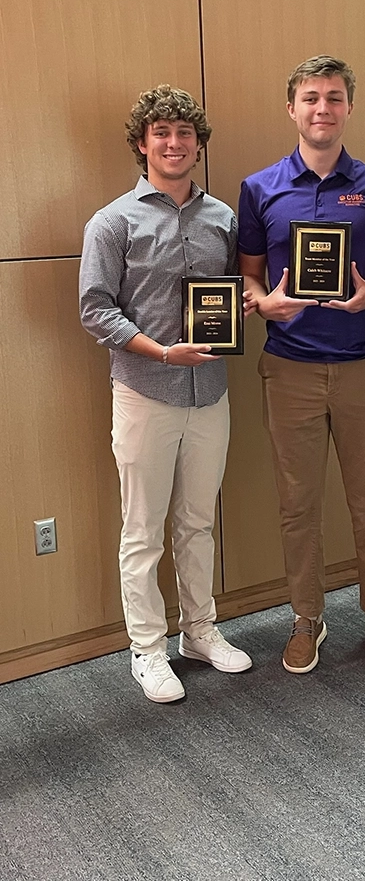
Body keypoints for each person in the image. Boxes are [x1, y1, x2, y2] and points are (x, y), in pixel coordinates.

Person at [239, 55, 365, 674]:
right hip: (289, 369)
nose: (322, 108)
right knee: (298, 504)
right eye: (311, 97)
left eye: (334, 98)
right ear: (292, 108)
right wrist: (265, 305)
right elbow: (251, 281)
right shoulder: (260, 188)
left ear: (348, 108)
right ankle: (306, 618)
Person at [79, 84, 252, 703]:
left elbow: (238, 295)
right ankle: (147, 650)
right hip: (145, 392)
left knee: (198, 523)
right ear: (142, 145)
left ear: (199, 146)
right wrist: (159, 351)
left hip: (210, 393)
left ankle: (200, 631)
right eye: (162, 133)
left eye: (185, 134)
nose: (174, 143)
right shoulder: (113, 222)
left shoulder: (224, 219)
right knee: (143, 531)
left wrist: (257, 306)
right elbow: (95, 310)